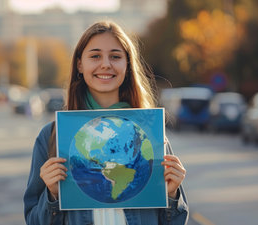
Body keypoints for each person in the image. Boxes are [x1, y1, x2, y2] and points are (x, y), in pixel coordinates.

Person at [24, 21, 188, 225]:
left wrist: (171, 194)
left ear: (127, 65)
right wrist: (53, 196)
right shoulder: (51, 137)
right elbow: (33, 221)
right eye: (95, 56)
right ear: (79, 65)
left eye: (116, 56)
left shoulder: (151, 135)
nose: (105, 64)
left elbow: (175, 221)